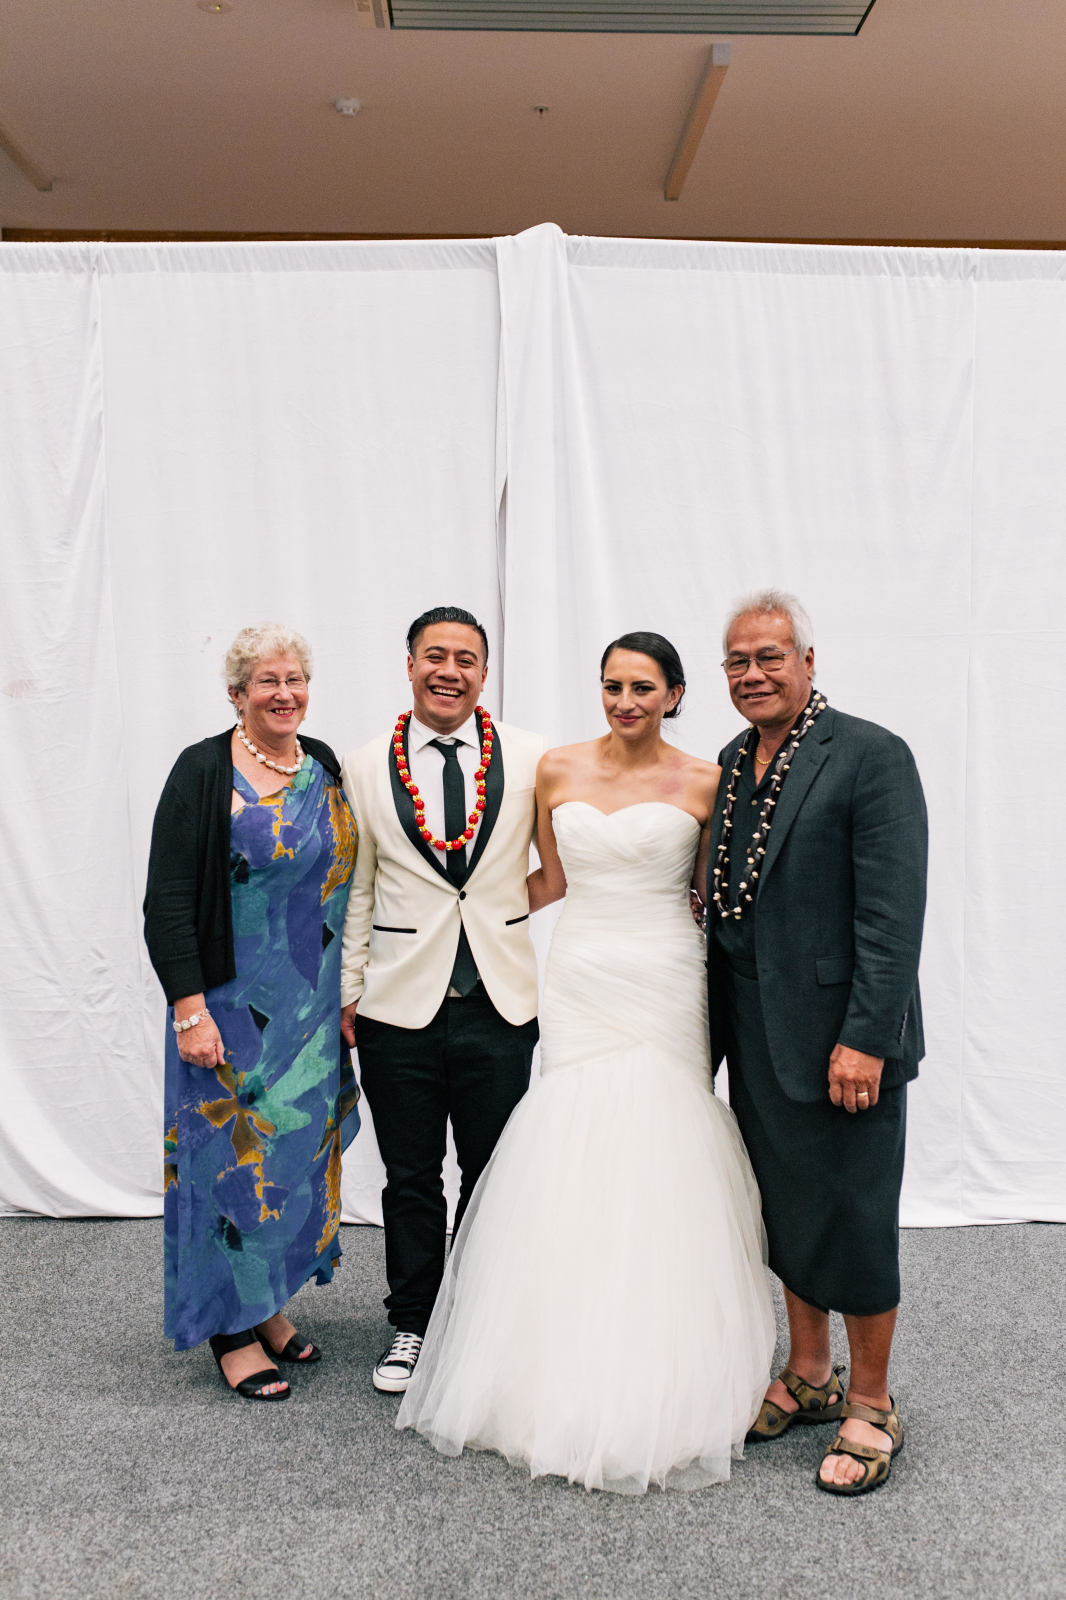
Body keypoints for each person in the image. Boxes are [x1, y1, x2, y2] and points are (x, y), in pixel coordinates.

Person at [396, 632, 775, 1494]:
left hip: (665, 974)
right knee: (573, 1137)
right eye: (612, 686)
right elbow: (548, 881)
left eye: (643, 687)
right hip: (581, 972)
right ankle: (555, 1349)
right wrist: (448, 916)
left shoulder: (708, 780)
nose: (625, 701)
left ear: (675, 694)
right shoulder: (557, 769)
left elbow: (715, 891)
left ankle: (666, 1348)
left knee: (663, 1140)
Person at [706, 589, 927, 1496]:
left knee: (855, 1213)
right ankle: (808, 1373)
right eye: (737, 661)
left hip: (844, 1040)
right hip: (758, 1034)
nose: (753, 674)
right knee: (787, 1209)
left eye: (770, 656)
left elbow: (892, 916)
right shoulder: (733, 760)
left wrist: (866, 1039)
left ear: (807, 660)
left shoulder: (871, 755)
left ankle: (871, 1401)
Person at [144, 623, 359, 1402]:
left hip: (309, 1009)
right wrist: (188, 1011)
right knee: (229, 1165)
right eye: (266, 681)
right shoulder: (202, 771)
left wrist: (350, 993)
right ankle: (228, 1329)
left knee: (290, 1164)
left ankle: (265, 1305)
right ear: (237, 694)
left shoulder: (322, 764)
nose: (283, 693)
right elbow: (168, 899)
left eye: (294, 679)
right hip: (229, 1010)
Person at [339, 607, 544, 1393]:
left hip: (500, 1001)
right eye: (434, 656)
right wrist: (349, 992)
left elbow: (558, 867)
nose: (448, 671)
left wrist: (501, 912)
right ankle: (413, 1322)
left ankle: (480, 1318)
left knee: (492, 1173)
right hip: (398, 1005)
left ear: (484, 673)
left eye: (465, 658)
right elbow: (359, 888)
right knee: (412, 1176)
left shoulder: (530, 758)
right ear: (410, 665)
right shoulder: (365, 765)